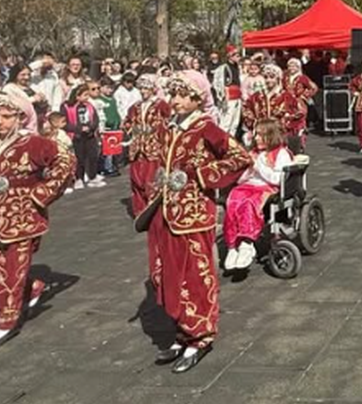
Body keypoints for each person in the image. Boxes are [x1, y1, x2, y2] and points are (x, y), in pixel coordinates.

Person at [143, 71, 250, 372]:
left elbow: (239, 157)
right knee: (170, 275)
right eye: (173, 94)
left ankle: (200, 335)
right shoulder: (171, 128)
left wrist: (201, 177)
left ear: (196, 98)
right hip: (166, 212)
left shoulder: (206, 128)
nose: (174, 101)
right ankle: (182, 330)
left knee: (195, 274)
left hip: (192, 214)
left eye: (180, 95)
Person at [0, 90, 75, 352]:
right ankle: (32, 286)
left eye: (6, 117)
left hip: (20, 217)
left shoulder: (32, 144)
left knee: (12, 269)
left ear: (20, 118)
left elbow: (64, 161)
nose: (0, 122)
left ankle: (7, 319)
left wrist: (40, 194)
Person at [223, 119, 293, 270]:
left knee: (249, 204)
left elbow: (277, 179)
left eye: (261, 135)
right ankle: (232, 246)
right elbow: (241, 178)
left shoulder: (281, 154)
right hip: (248, 185)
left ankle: (247, 243)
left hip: (267, 188)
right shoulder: (253, 153)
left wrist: (258, 166)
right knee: (233, 201)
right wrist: (247, 170)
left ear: (271, 136)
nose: (256, 138)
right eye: (256, 135)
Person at [122, 75, 169, 215]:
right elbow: (127, 122)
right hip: (137, 147)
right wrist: (131, 129)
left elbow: (167, 122)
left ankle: (154, 210)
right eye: (141, 88)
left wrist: (157, 133)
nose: (143, 91)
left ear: (153, 89)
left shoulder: (161, 105)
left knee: (152, 178)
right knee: (137, 179)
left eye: (146, 88)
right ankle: (140, 210)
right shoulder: (135, 107)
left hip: (153, 147)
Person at [243, 64, 303, 148]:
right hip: (261, 135)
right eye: (266, 77)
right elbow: (247, 109)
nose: (268, 80)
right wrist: (254, 124)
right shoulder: (257, 96)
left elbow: (298, 114)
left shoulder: (286, 96)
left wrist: (284, 122)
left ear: (277, 78)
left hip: (278, 135)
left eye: (272, 77)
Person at [62, 83, 103, 189]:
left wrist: (91, 127)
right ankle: (78, 178)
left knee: (92, 156)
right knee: (79, 158)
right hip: (76, 136)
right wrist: (78, 129)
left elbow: (95, 119)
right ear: (77, 96)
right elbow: (64, 123)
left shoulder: (89, 106)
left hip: (89, 135)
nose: (87, 98)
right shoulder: (67, 107)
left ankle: (92, 176)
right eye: (85, 95)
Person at [92, 78, 122, 177]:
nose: (110, 91)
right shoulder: (100, 100)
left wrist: (119, 120)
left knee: (114, 149)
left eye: (112, 88)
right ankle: (105, 168)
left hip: (115, 127)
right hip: (106, 128)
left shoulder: (113, 99)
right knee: (106, 150)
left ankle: (112, 165)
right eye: (108, 88)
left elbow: (115, 112)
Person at [210, 45, 243, 136]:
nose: (238, 57)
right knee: (226, 122)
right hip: (229, 97)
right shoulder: (224, 68)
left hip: (238, 97)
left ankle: (231, 143)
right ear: (230, 56)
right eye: (236, 55)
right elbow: (221, 84)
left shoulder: (238, 67)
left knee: (235, 123)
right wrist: (224, 98)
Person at [284, 58, 318, 141]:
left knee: (299, 122)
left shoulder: (303, 78)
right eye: (290, 66)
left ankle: (300, 143)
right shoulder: (285, 78)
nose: (292, 68)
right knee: (288, 121)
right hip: (287, 102)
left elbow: (314, 88)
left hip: (299, 103)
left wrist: (304, 96)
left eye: (294, 66)